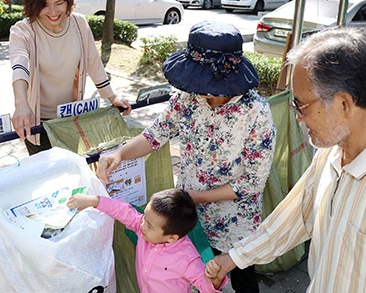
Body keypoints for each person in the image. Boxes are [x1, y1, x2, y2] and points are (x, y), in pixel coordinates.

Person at [206, 27, 366, 292]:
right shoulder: (331, 153)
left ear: (344, 104)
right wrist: (233, 258)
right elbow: (296, 216)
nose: (298, 118)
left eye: (300, 105)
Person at [97, 21, 276, 292]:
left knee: (242, 281)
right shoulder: (187, 98)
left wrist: (197, 196)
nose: (196, 87)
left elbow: (252, 182)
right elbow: (155, 135)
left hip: (234, 222)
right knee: (195, 277)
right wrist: (119, 154)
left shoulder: (256, 112)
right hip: (189, 219)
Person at [9, 0, 131, 155]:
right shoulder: (23, 31)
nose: (53, 12)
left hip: (70, 118)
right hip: (38, 122)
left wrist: (111, 98)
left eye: (59, 3)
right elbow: (19, 66)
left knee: (72, 172)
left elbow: (94, 64)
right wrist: (21, 104)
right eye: (44, 5)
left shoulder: (79, 24)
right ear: (33, 3)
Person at [67, 188, 228, 292]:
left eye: (149, 225)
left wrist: (215, 280)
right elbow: (124, 211)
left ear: (171, 238)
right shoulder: (144, 228)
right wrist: (95, 201)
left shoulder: (187, 259)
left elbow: (204, 285)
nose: (142, 225)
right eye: (144, 217)